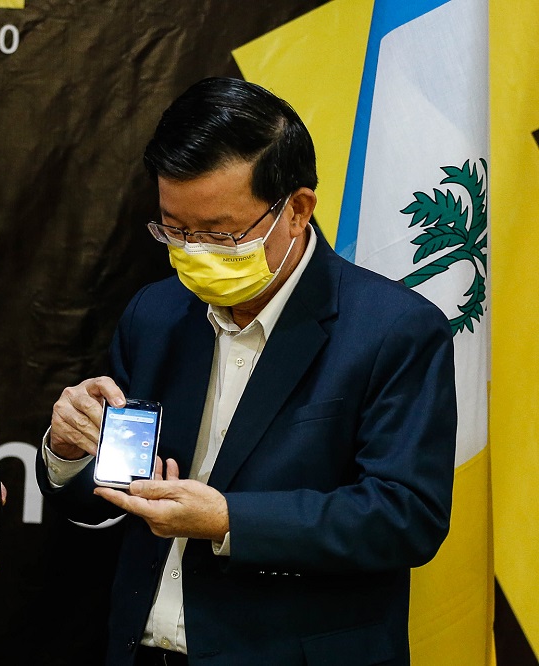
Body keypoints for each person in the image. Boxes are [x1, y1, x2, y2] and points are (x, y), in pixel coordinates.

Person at [37, 77, 456, 666]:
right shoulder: (155, 314)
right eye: (175, 230)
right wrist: (68, 451)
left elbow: (405, 516)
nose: (195, 251)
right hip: (142, 649)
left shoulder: (394, 329)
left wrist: (229, 520)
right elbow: (103, 501)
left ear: (298, 209)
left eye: (219, 232)